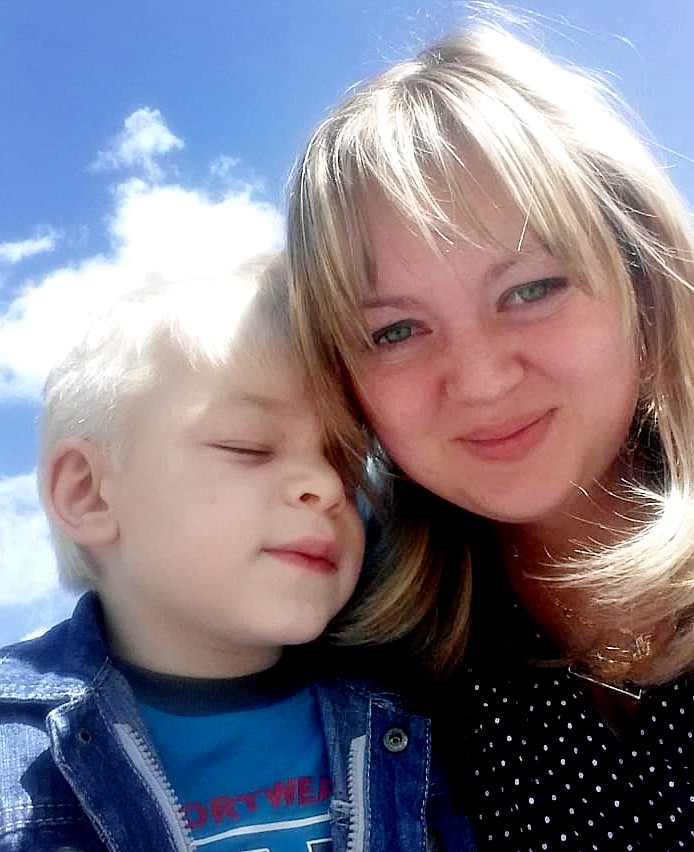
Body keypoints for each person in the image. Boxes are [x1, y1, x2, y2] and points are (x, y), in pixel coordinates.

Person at [286, 17, 694, 851]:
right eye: (396, 331)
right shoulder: (356, 652)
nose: (477, 380)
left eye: (531, 288)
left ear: (644, 284)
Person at [0, 256, 474, 851]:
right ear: (89, 493)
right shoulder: (15, 744)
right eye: (250, 447)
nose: (328, 487)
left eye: (347, 461)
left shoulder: (423, 700)